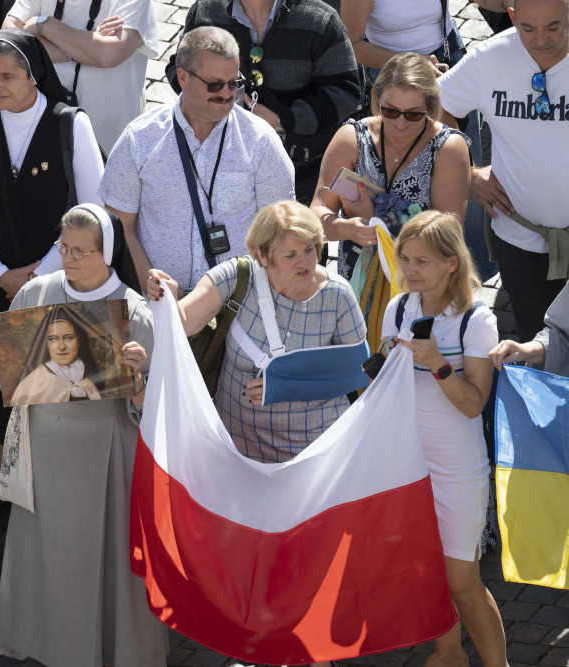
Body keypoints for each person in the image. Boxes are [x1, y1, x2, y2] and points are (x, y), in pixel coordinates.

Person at [0, 203, 168, 667]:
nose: (71, 258)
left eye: (82, 251)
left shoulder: (135, 312)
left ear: (107, 253)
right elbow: (16, 385)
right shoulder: (36, 293)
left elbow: (157, 410)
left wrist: (140, 381)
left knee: (108, 562)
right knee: (51, 559)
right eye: (65, 248)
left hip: (109, 452)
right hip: (45, 445)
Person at [0, 28, 105, 528]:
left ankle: (53, 494)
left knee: (54, 390)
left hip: (62, 281)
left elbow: (93, 209)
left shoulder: (69, 126)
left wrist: (40, 272)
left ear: (34, 74)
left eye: (9, 77)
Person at [146, 201, 366, 469]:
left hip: (315, 460)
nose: (305, 262)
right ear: (262, 255)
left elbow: (358, 372)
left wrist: (283, 384)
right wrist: (165, 295)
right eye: (290, 255)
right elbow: (184, 323)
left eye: (310, 250)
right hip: (240, 454)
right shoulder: (237, 276)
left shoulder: (338, 294)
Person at [380, 211, 507, 667]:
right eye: (405, 259)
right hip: (407, 464)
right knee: (426, 575)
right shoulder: (397, 308)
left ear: (452, 263)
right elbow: (381, 390)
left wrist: (436, 362)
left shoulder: (478, 319)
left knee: (463, 582)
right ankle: (448, 656)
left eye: (422, 261)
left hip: (456, 468)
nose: (410, 270)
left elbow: (473, 403)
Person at [101, 26, 294, 296]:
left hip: (237, 308)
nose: (227, 94)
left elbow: (281, 231)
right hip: (158, 305)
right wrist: (153, 289)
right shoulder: (139, 139)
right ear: (183, 77)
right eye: (214, 85)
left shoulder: (261, 141)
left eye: (234, 83)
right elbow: (121, 225)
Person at [310, 52, 470, 346]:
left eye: (413, 114)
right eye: (390, 111)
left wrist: (378, 218)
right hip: (357, 286)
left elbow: (448, 237)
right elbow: (316, 215)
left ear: (431, 108)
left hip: (421, 294)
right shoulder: (351, 138)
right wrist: (349, 229)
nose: (400, 123)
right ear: (376, 101)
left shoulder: (448, 148)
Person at [438, 0, 569, 343]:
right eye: (528, 28)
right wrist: (468, 172)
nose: (541, 39)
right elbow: (435, 107)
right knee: (533, 342)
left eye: (553, 27)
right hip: (520, 240)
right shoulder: (490, 59)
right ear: (512, 16)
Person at [339, 0, 492, 278]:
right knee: (408, 190)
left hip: (445, 64)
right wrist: (413, 65)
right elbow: (351, 42)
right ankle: (410, 278)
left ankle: (470, 282)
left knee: (468, 185)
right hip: (395, 81)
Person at [166, 0, 360, 204]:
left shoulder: (320, 20)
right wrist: (211, 101)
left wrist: (282, 119)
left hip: (299, 170)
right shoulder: (206, 11)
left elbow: (345, 91)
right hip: (218, 165)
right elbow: (177, 69)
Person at [2, 0, 159, 152]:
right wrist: (85, 48)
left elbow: (109, 55)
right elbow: (9, 41)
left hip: (109, 142)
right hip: (43, 130)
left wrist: (44, 24)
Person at [9, 306, 103, 405]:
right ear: (46, 344)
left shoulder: (89, 375)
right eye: (53, 339)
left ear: (79, 341)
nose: (61, 346)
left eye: (68, 338)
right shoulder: (35, 381)